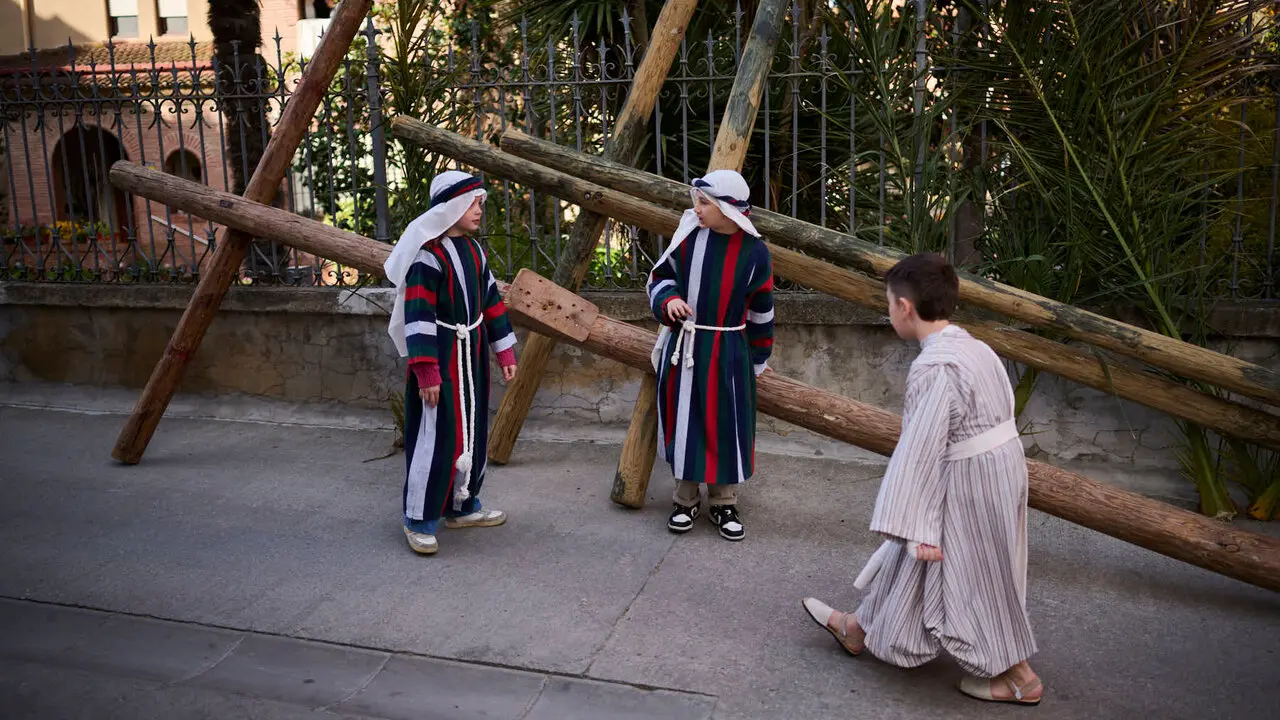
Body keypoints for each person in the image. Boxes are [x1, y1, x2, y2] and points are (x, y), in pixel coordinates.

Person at [800, 252, 1042, 704]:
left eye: (888, 303)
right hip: (999, 468)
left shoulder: (934, 367)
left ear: (904, 308)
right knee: (918, 557)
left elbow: (921, 448)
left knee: (976, 572)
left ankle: (1020, 679)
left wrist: (917, 521)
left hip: (970, 479)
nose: (888, 311)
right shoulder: (973, 347)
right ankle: (858, 628)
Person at [384, 170, 518, 555]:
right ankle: (419, 518)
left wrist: (504, 350)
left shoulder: (475, 252)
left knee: (470, 430)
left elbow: (491, 302)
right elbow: (418, 315)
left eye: (480, 203)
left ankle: (463, 505)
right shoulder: (428, 256)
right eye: (472, 203)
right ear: (451, 207)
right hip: (441, 357)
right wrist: (426, 370)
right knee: (437, 434)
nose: (479, 210)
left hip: (470, 355)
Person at [646, 169, 774, 541]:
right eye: (697, 201)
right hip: (686, 348)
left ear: (727, 208)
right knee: (686, 421)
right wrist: (669, 300)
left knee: (725, 423)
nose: (696, 209)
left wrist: (758, 359)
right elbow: (659, 277)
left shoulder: (755, 253)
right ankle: (684, 500)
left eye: (704, 203)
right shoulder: (689, 238)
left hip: (730, 352)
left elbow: (761, 311)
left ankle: (724, 502)